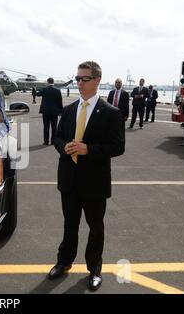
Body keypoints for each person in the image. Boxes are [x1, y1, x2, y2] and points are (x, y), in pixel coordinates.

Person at [49, 61, 125, 292]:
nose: (80, 83)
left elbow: (118, 146)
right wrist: (65, 147)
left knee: (95, 227)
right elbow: (57, 138)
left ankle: (94, 269)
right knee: (69, 224)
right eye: (78, 78)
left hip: (94, 182)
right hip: (69, 180)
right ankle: (64, 262)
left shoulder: (111, 112)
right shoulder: (70, 109)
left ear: (97, 80)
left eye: (84, 79)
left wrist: (88, 149)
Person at [37, 78, 63, 146]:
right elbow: (60, 101)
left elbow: (37, 94)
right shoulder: (58, 90)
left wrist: (35, 89)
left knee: (46, 127)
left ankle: (46, 141)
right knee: (54, 127)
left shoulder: (44, 89)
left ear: (47, 82)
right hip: (54, 111)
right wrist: (61, 111)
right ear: (53, 82)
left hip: (45, 111)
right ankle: (53, 141)